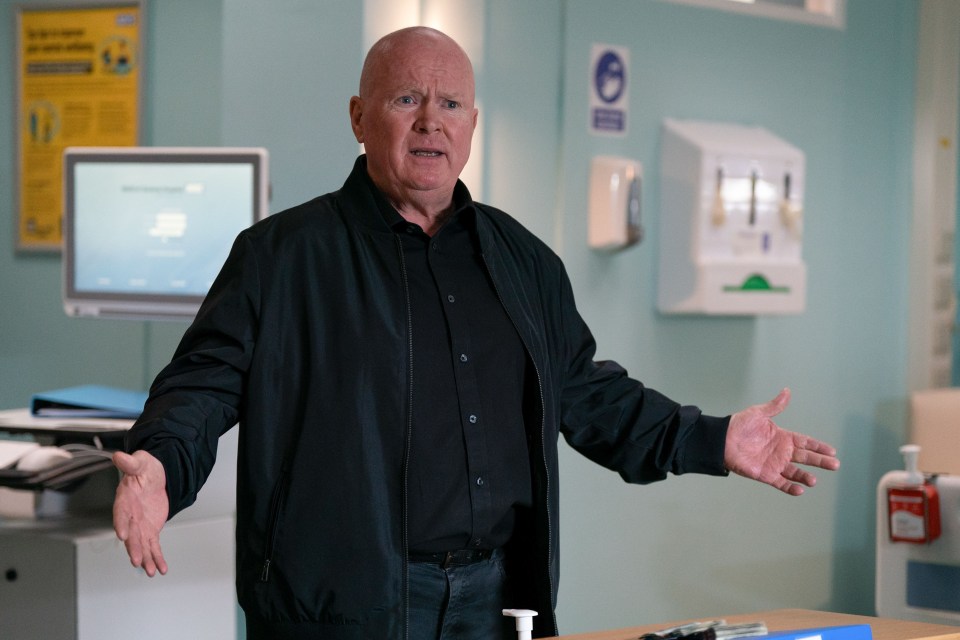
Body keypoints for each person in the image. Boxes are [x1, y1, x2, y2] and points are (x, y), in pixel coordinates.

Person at [112, 26, 839, 640]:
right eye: (407, 99)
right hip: (344, 607)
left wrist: (712, 439)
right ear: (360, 117)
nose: (432, 120)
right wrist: (160, 467)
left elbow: (587, 394)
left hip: (495, 600)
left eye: (451, 103)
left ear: (472, 125)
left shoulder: (524, 261)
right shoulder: (282, 257)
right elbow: (200, 389)